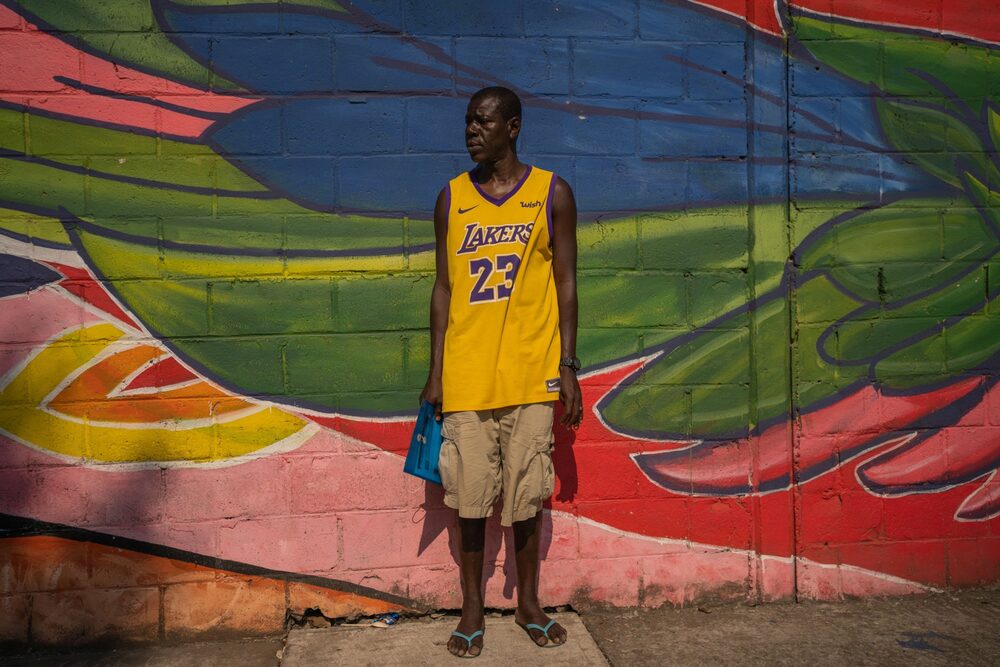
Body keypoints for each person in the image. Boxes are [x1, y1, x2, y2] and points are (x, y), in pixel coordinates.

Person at [420, 86, 583, 658]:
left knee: (527, 496)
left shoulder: (550, 193)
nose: (471, 131)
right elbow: (443, 288)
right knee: (467, 498)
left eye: (483, 122)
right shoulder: (451, 198)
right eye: (467, 121)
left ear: (512, 127)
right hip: (466, 375)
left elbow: (566, 282)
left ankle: (529, 604)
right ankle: (470, 609)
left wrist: (567, 365)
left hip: (531, 372)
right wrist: (437, 370)